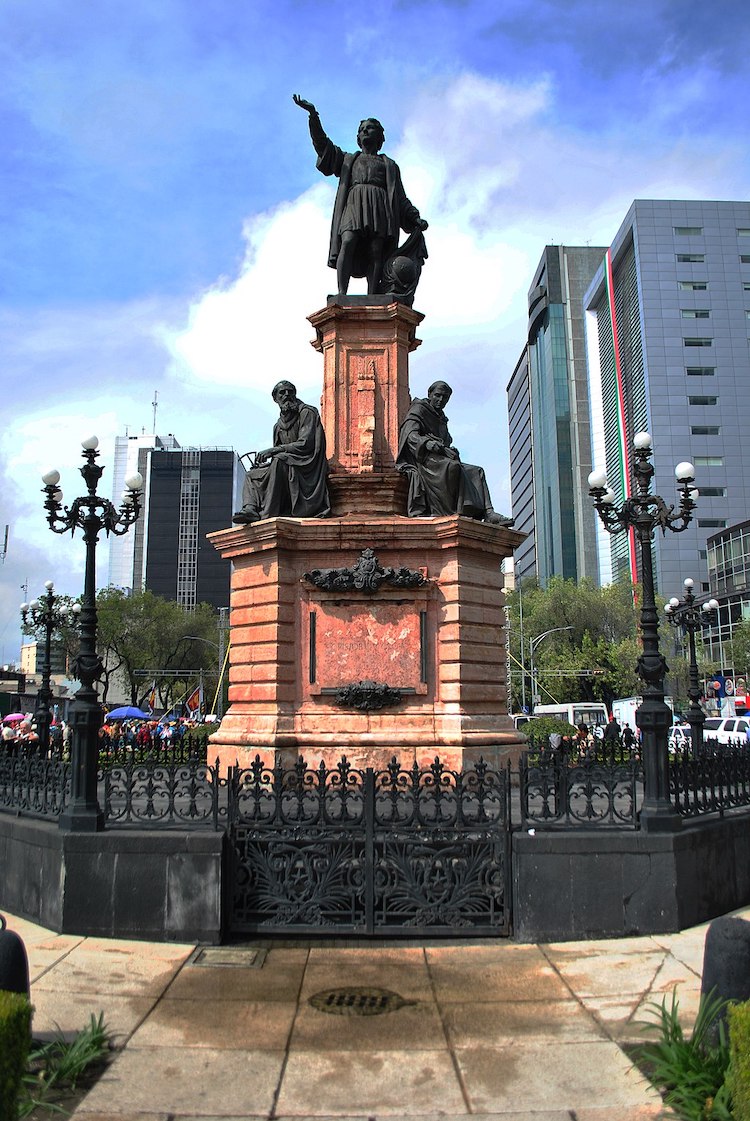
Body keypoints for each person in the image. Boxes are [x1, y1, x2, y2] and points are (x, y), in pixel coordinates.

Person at [293, 95, 428, 298]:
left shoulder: (389, 165)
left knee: (376, 251)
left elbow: (400, 198)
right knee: (348, 241)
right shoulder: (349, 159)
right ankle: (342, 293)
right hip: (355, 205)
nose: (365, 130)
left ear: (380, 137)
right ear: (358, 137)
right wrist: (314, 117)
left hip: (379, 208)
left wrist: (414, 217)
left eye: (370, 128)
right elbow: (324, 147)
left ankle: (373, 294)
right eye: (362, 129)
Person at [396, 381, 514, 525]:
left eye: (445, 398)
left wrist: (449, 449)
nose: (440, 400)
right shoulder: (419, 409)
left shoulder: (441, 417)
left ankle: (488, 512)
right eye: (437, 396)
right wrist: (428, 443)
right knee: (453, 467)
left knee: (477, 471)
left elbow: (445, 441)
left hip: (439, 458)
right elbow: (410, 435)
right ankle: (454, 511)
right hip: (424, 460)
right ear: (430, 394)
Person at [233, 381, 331, 524]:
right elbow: (278, 455)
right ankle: (250, 509)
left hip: (307, 465)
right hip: (288, 464)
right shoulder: (278, 426)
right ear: (275, 399)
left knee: (279, 460)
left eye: (290, 392)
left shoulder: (307, 412)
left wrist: (274, 451)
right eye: (282, 392)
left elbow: (306, 444)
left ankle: (269, 513)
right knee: (252, 474)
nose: (287, 395)